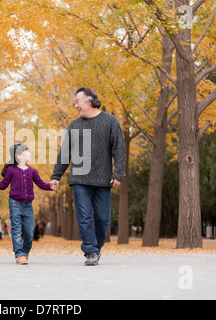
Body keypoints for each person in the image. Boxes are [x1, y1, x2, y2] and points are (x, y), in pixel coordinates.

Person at [51, 87, 126, 266]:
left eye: (78, 101)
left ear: (89, 101)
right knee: (84, 216)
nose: (75, 105)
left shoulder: (110, 121)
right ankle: (90, 251)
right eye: (75, 102)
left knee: (102, 218)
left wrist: (118, 173)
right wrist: (56, 175)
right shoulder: (74, 125)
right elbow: (65, 152)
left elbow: (119, 149)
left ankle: (96, 247)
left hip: (103, 179)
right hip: (80, 180)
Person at [0, 144, 57, 265]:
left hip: (28, 205)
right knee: (16, 230)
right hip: (15, 204)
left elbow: (41, 184)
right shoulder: (11, 170)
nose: (29, 154)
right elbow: (3, 185)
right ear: (19, 156)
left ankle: (25, 250)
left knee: (29, 231)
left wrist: (50, 186)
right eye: (27, 152)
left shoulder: (32, 171)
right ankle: (19, 254)